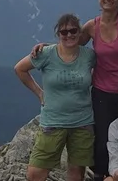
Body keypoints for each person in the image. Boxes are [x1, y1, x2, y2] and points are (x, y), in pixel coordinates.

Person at [32, 0, 118, 179]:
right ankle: (102, 175)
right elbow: (71, 42)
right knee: (102, 137)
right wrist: (47, 47)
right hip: (101, 90)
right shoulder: (92, 26)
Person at [15, 13, 98, 181]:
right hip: (53, 121)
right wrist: (39, 92)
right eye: (64, 32)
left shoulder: (89, 55)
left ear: (80, 32)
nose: (69, 35)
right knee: (36, 173)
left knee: (76, 173)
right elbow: (20, 69)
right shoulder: (45, 53)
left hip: (82, 121)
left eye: (73, 30)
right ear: (58, 35)